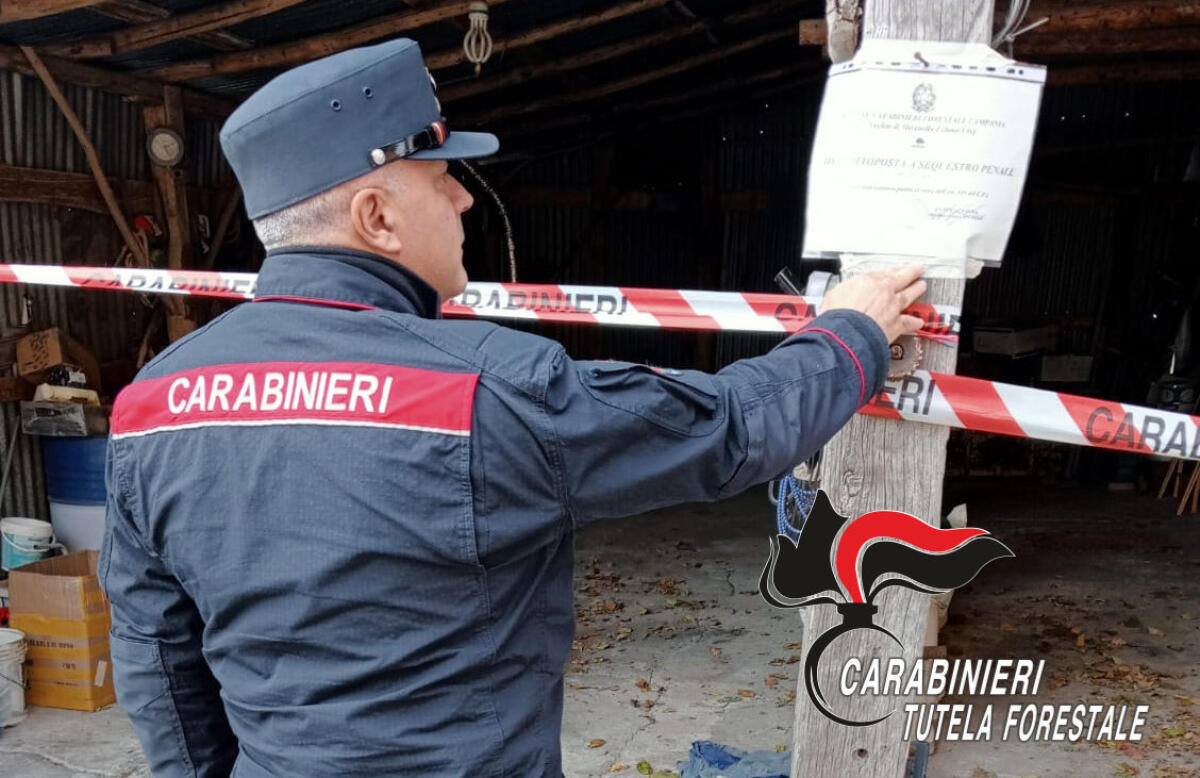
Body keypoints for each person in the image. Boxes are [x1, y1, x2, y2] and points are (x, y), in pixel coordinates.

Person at [101, 38, 925, 778]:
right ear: (375, 217)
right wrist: (853, 332)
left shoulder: (152, 402)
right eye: (443, 177)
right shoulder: (488, 388)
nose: (463, 201)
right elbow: (729, 430)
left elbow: (157, 657)